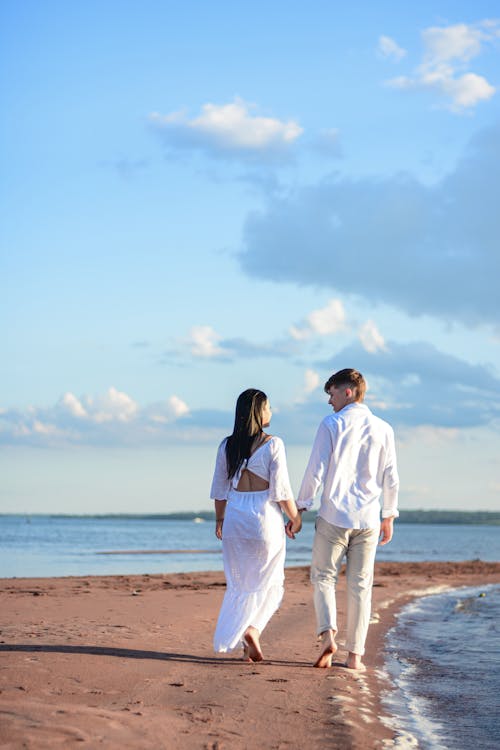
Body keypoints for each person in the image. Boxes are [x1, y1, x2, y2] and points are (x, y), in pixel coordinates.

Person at [287, 369, 399, 671]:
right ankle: (354, 658)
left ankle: (328, 636)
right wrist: (388, 515)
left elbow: (315, 470)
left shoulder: (332, 424)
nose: (329, 400)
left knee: (323, 577)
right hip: (368, 519)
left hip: (334, 516)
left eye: (332, 393)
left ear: (348, 391)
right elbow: (391, 477)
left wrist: (300, 507)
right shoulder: (384, 428)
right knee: (361, 586)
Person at [211, 388, 302, 662]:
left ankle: (243, 646)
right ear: (258, 412)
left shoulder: (227, 445)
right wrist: (295, 518)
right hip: (264, 519)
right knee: (273, 585)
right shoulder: (273, 444)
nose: (271, 412)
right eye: (269, 407)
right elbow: (282, 491)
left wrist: (219, 519)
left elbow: (219, 489)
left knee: (241, 584)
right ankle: (253, 629)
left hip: (236, 520)